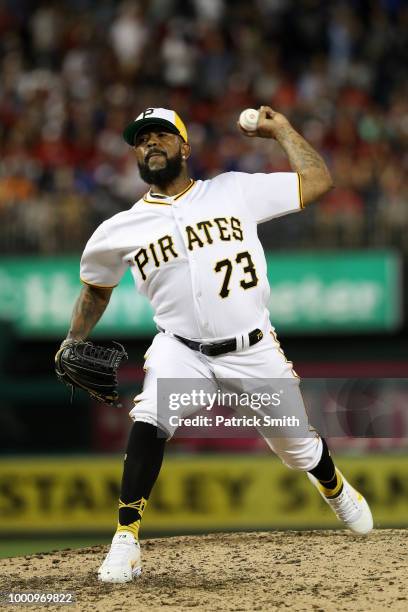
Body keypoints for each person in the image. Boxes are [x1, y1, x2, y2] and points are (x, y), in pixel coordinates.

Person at [59, 106, 373, 583]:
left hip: (253, 348)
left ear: (185, 147)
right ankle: (125, 538)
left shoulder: (233, 189)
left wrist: (284, 131)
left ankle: (333, 486)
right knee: (149, 417)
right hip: (180, 347)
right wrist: (72, 339)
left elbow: (318, 182)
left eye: (162, 134)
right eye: (141, 139)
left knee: (296, 451)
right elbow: (96, 290)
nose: (151, 144)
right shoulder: (118, 230)